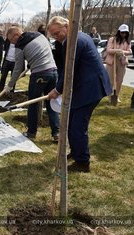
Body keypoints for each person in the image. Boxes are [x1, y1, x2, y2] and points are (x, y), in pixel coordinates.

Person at [47, 16, 112, 173]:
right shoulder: (73, 38)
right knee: (71, 121)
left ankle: (83, 162)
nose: (56, 37)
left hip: (91, 88)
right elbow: (65, 68)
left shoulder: (74, 41)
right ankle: (76, 152)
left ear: (67, 26)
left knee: (77, 126)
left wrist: (57, 90)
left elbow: (70, 71)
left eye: (57, 33)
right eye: (53, 35)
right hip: (85, 86)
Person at [3, 26, 60, 142]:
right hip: (53, 72)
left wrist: (10, 85)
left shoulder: (20, 45)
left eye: (11, 40)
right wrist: (31, 62)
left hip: (39, 75)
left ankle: (31, 133)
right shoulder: (40, 35)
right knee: (51, 102)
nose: (12, 43)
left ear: (16, 35)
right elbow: (48, 50)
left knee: (33, 104)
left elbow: (18, 68)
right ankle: (56, 133)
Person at [104, 24, 132, 104]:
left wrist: (122, 52)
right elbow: (108, 50)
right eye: (122, 32)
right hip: (112, 62)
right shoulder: (112, 39)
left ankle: (116, 95)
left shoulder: (127, 41)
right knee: (111, 80)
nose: (124, 34)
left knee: (119, 80)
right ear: (119, 32)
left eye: (125, 33)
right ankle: (110, 96)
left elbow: (129, 51)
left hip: (121, 62)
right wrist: (117, 51)